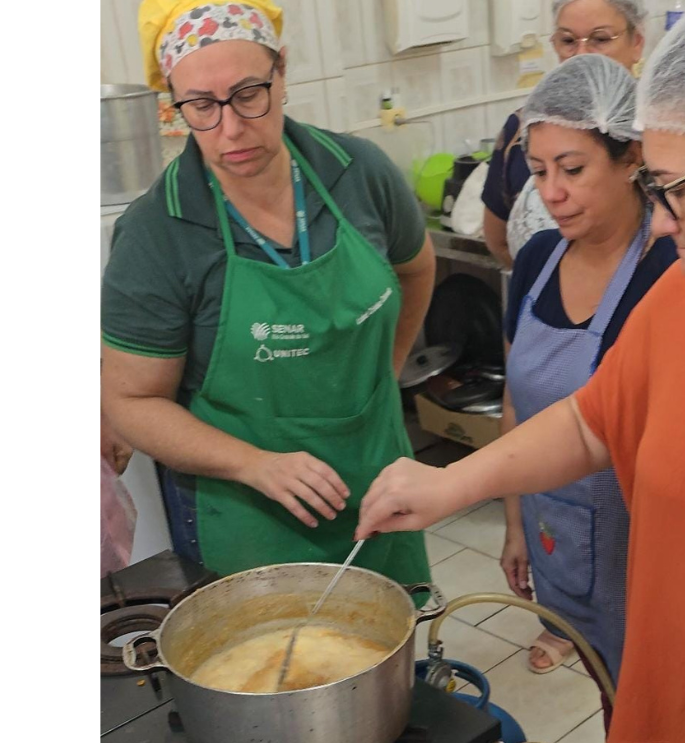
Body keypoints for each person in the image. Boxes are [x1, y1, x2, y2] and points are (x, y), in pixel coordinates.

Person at [358, 0, 685, 740]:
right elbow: (592, 418)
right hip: (673, 689)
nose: (664, 220)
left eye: (675, 187)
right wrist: (450, 483)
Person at [101, 0, 435, 588]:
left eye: (248, 93)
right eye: (201, 106)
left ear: (281, 72)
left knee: (394, 652)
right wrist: (253, 464)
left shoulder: (358, 173)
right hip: (249, 516)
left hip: (378, 480)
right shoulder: (158, 233)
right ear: (174, 105)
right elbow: (131, 402)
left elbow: (415, 269)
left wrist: (385, 371)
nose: (230, 129)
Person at [498, 54, 677, 697]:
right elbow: (516, 400)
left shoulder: (672, 274)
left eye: (572, 169)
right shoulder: (538, 260)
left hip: (649, 555)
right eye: (540, 171)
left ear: (631, 158)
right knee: (608, 690)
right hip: (558, 534)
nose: (551, 192)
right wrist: (516, 522)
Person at [481, 0, 647, 268]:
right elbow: (497, 240)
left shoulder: (665, 134)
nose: (581, 53)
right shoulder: (523, 129)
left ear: (636, 42)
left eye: (600, 38)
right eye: (568, 40)